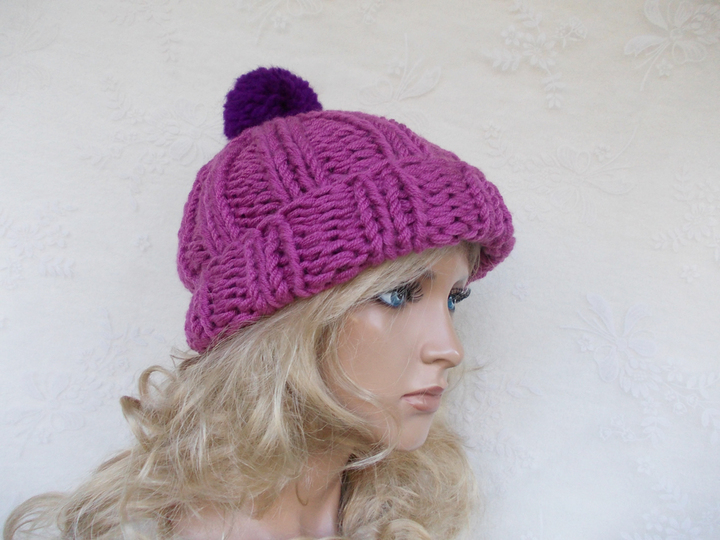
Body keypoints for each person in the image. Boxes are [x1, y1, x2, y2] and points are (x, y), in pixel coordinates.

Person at [4, 67, 514, 540]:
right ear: (276, 320)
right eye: (397, 294)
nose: (449, 349)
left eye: (453, 299)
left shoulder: (371, 515)